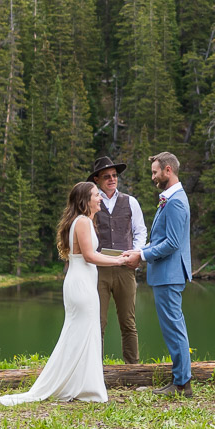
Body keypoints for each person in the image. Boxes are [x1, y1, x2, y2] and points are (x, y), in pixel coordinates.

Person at [0, 182, 126, 405]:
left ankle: (79, 385)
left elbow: (90, 255)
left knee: (83, 332)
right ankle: (84, 387)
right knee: (83, 332)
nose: (100, 198)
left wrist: (117, 257)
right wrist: (119, 261)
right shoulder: (83, 222)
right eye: (96, 195)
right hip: (81, 285)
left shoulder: (83, 221)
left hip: (81, 281)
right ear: (85, 200)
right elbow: (89, 256)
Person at [122, 152, 193, 397]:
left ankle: (182, 384)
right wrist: (139, 251)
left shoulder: (175, 202)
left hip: (169, 274)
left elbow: (172, 243)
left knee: (174, 328)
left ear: (168, 170)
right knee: (172, 328)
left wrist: (141, 256)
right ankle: (180, 381)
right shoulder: (171, 198)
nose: (153, 177)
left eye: (155, 172)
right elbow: (161, 239)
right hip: (166, 274)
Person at [87, 155, 146, 365]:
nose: (112, 179)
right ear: (97, 179)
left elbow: (140, 231)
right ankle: (96, 369)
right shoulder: (92, 203)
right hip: (98, 269)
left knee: (128, 322)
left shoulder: (130, 202)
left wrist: (135, 253)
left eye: (114, 175)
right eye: (107, 176)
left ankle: (133, 367)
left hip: (125, 268)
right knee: (98, 322)